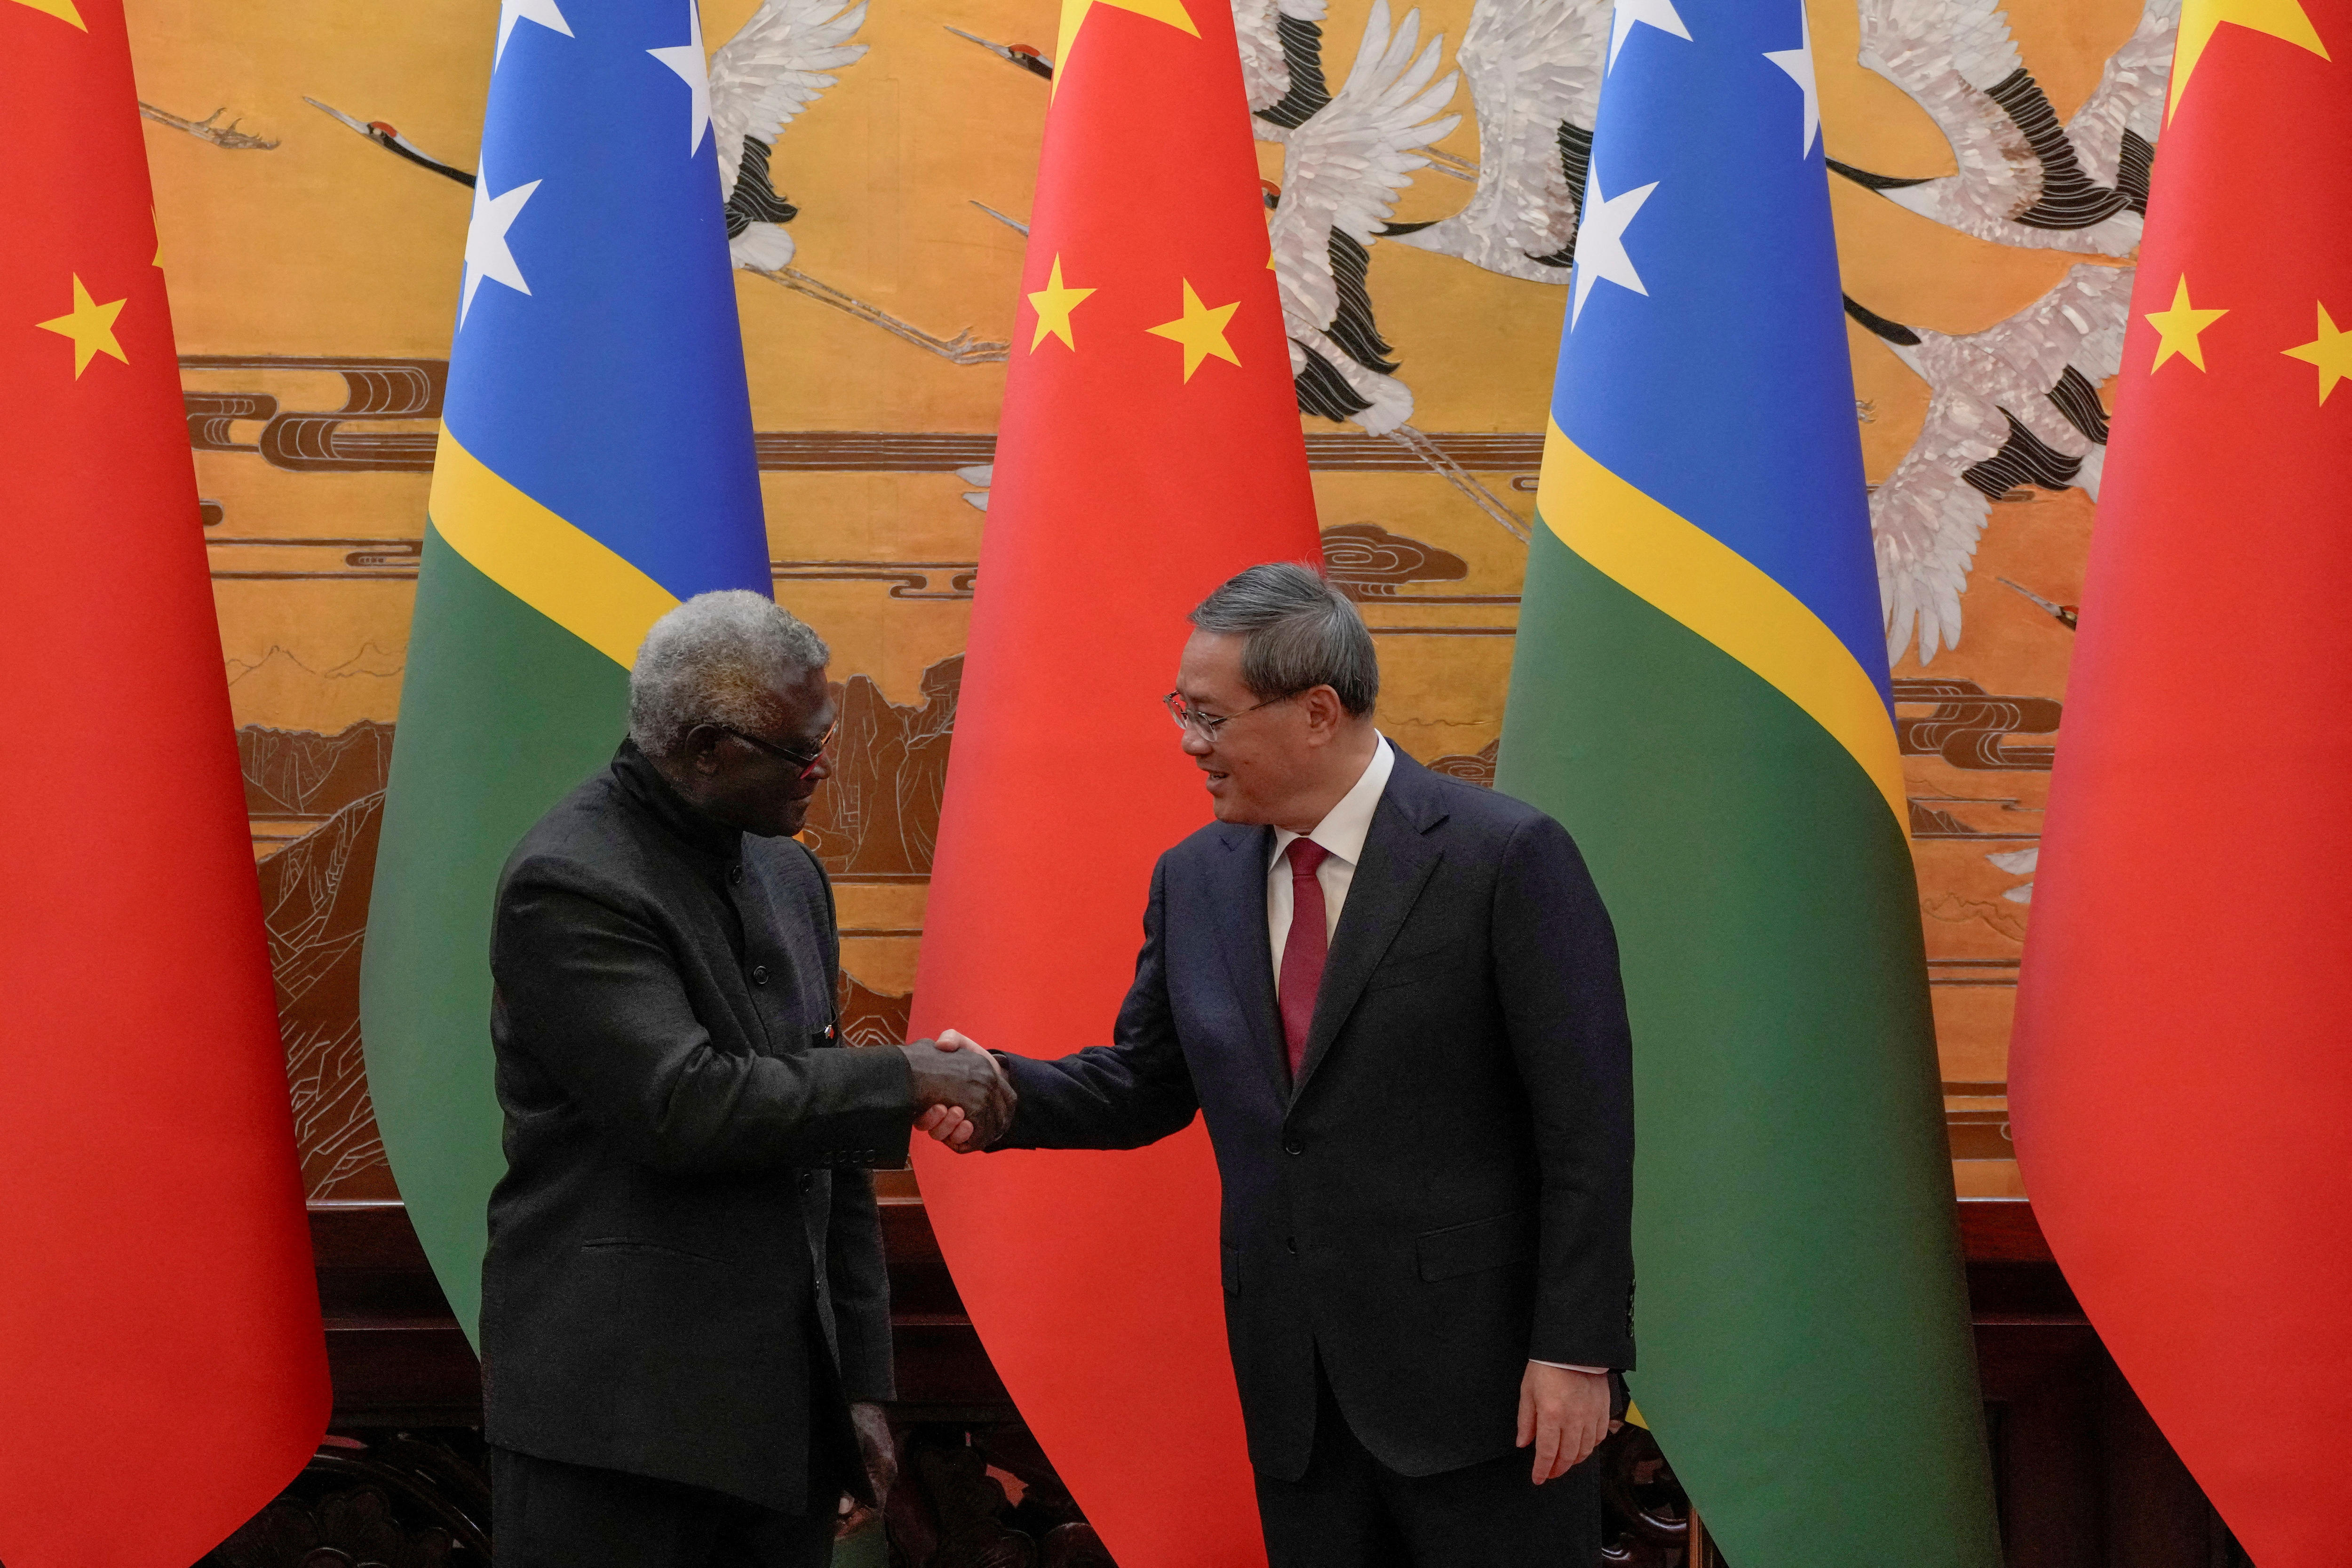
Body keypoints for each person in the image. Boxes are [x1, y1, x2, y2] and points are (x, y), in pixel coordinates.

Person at [922, 562, 1635, 1567]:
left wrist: (1577, 1350)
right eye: (1183, 710)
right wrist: (998, 1092)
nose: (1189, 741)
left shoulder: (1504, 857)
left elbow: (1585, 1128)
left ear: (1316, 712)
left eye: (1210, 717)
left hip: (1490, 1395)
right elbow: (1145, 1083)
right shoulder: (1194, 878)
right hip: (1297, 1399)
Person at [480, 589, 1016, 1568]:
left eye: (826, 738)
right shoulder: (570, 880)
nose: (824, 767)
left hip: (780, 1428)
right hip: (622, 1433)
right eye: (802, 751)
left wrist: (860, 1386)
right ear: (706, 750)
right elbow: (682, 1105)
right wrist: (903, 1074)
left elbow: (829, 1152)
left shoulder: (788, 873)